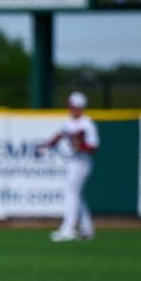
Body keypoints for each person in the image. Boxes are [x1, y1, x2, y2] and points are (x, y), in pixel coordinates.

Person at [39, 91, 99, 242]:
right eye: (70, 106)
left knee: (70, 192)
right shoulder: (69, 122)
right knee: (75, 194)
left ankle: (68, 229)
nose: (70, 108)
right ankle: (87, 229)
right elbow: (60, 135)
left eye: (73, 106)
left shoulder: (87, 124)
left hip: (81, 162)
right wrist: (46, 146)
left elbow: (93, 147)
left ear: (79, 107)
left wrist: (80, 147)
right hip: (72, 162)